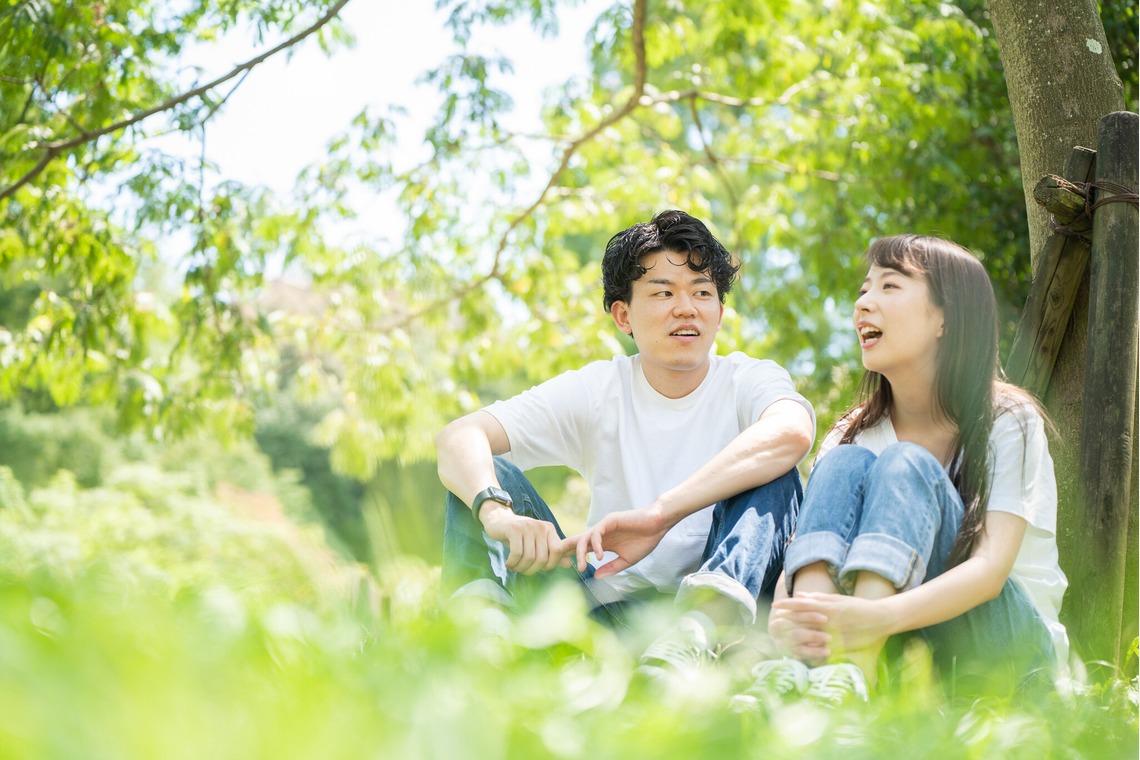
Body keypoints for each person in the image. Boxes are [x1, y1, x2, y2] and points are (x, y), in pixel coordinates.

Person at [436, 209, 815, 673]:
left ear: (719, 313)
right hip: (606, 612)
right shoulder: (600, 389)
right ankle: (476, 642)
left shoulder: (749, 379)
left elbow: (792, 431)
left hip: (716, 620)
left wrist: (660, 515)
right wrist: (497, 514)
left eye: (703, 293)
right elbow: (459, 436)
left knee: (774, 470)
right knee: (486, 478)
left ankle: (699, 628)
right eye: (663, 293)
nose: (687, 308)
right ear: (623, 315)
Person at [748, 234, 1068, 704]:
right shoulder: (849, 435)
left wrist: (881, 617)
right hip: (905, 657)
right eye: (863, 289)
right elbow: (804, 550)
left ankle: (850, 673)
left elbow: (990, 571)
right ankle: (811, 668)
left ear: (944, 318)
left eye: (889, 287)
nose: (864, 304)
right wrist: (786, 611)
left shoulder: (1007, 420)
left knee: (905, 464)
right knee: (843, 461)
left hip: (1012, 659)